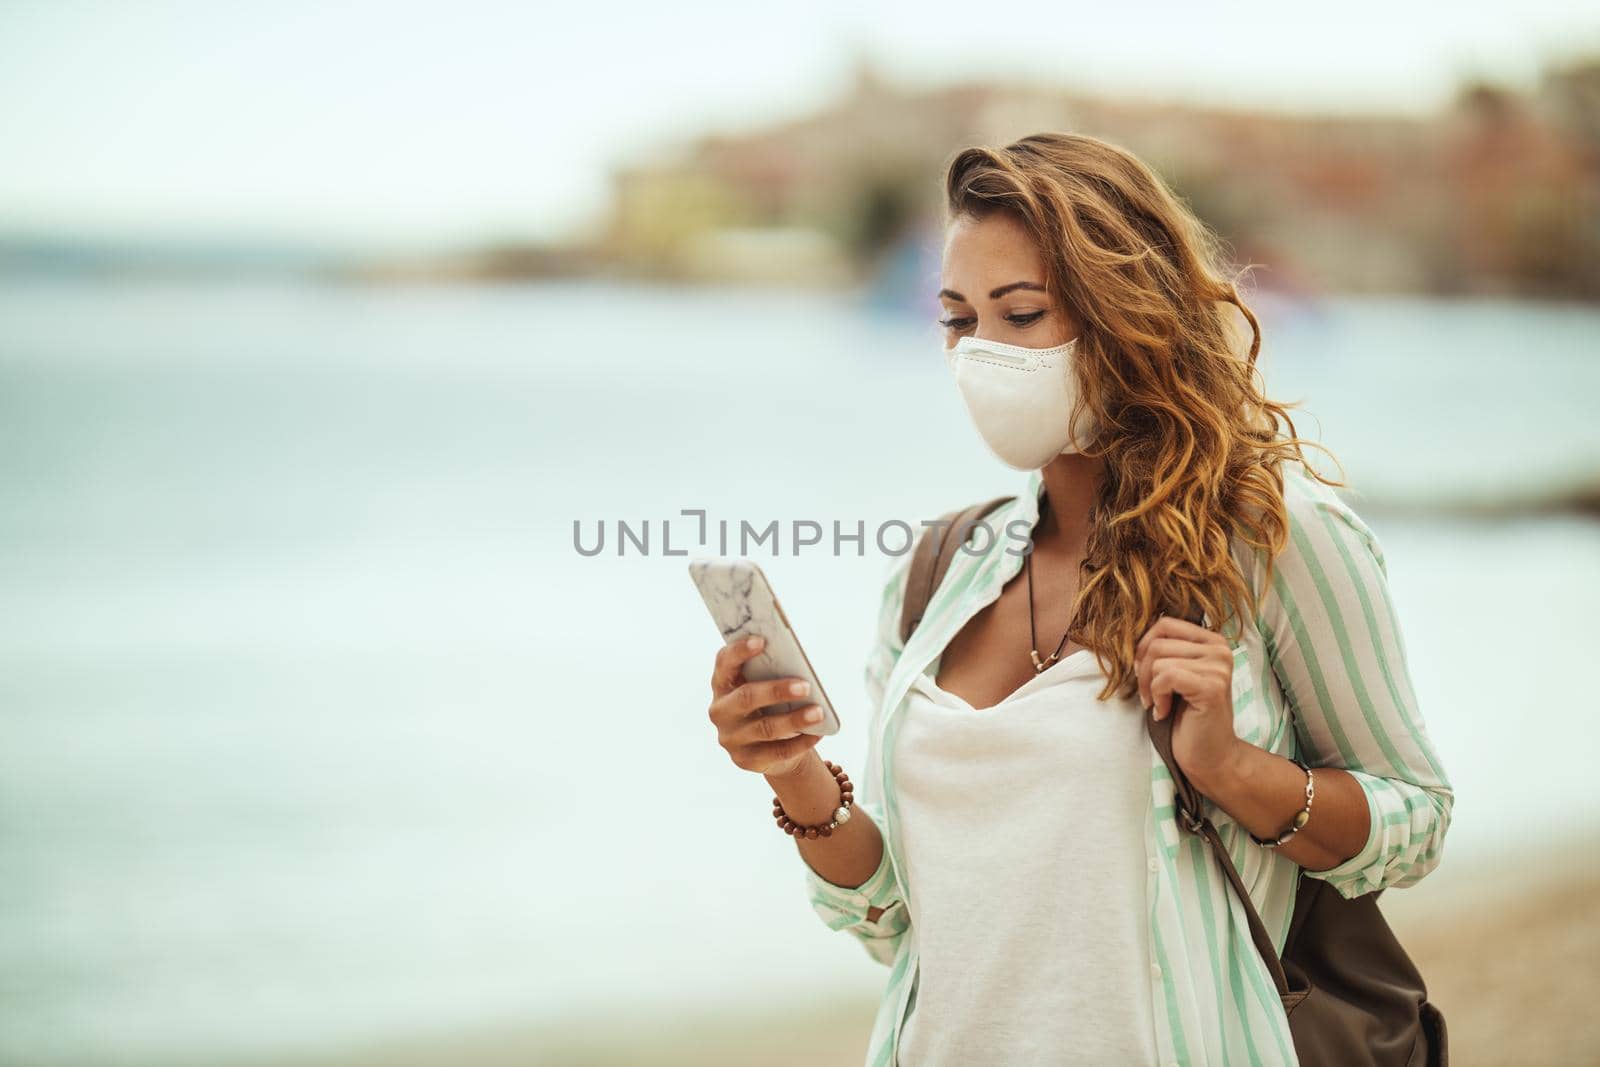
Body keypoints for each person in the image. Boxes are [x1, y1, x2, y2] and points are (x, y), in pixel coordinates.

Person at [704, 132, 1453, 1067]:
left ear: (1126, 312)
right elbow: (898, 921)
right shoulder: (938, 570)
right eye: (957, 319)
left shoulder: (1273, 537)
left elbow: (1414, 821)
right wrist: (793, 773)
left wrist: (1231, 768)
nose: (981, 353)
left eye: (1020, 314)